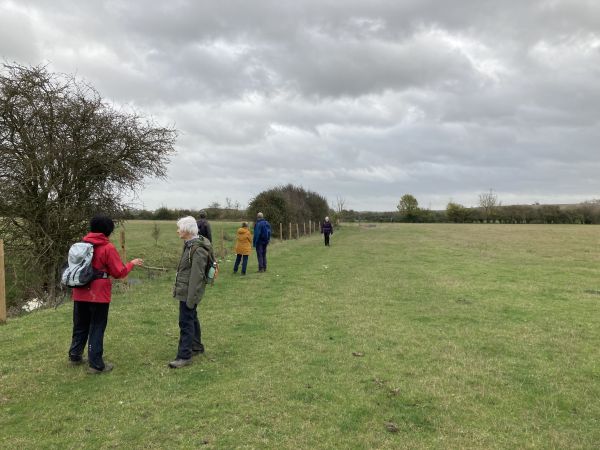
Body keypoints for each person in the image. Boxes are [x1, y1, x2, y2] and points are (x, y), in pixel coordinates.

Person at [67, 215, 144, 374]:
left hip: (79, 291)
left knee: (80, 324)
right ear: (108, 230)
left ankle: (75, 355)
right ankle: (96, 364)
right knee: (97, 327)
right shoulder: (107, 248)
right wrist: (131, 264)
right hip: (98, 295)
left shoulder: (80, 245)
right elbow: (119, 272)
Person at [169, 216, 213, 368]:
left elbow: (197, 276)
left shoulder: (197, 249)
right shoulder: (189, 245)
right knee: (192, 318)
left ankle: (184, 356)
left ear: (187, 230)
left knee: (185, 322)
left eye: (179, 228)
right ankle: (196, 346)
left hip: (188, 293)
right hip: (185, 291)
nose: (177, 231)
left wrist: (191, 299)